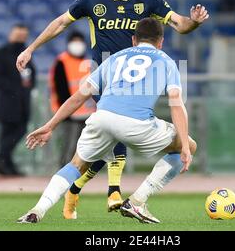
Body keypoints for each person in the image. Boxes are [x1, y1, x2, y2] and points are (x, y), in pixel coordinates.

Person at [16, 0, 208, 218]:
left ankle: (60, 198)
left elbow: (181, 23)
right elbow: (60, 23)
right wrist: (31, 48)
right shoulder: (93, 1)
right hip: (109, 82)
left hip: (119, 87)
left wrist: (195, 22)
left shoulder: (146, 1)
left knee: (96, 149)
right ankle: (123, 195)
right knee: (122, 138)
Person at [17, 18, 197, 224]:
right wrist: (183, 146)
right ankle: (138, 200)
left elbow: (78, 96)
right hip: (137, 124)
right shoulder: (166, 61)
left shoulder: (115, 58)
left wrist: (50, 126)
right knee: (190, 145)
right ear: (161, 42)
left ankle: (37, 210)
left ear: (133, 40)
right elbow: (176, 105)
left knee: (76, 164)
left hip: (102, 118)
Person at [0, 24, 36, 176]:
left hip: (23, 102)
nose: (20, 39)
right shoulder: (1, 53)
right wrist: (15, 89)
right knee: (8, 133)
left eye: (23, 36)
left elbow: (31, 76)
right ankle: (3, 161)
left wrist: (26, 88)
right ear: (11, 35)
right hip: (7, 103)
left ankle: (1, 159)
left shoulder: (26, 54)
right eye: (18, 35)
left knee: (19, 131)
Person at [49, 31, 95, 168]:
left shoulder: (88, 62)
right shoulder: (61, 62)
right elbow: (60, 88)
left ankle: (79, 171)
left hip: (88, 113)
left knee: (84, 147)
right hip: (70, 113)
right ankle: (63, 171)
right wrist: (65, 112)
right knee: (69, 145)